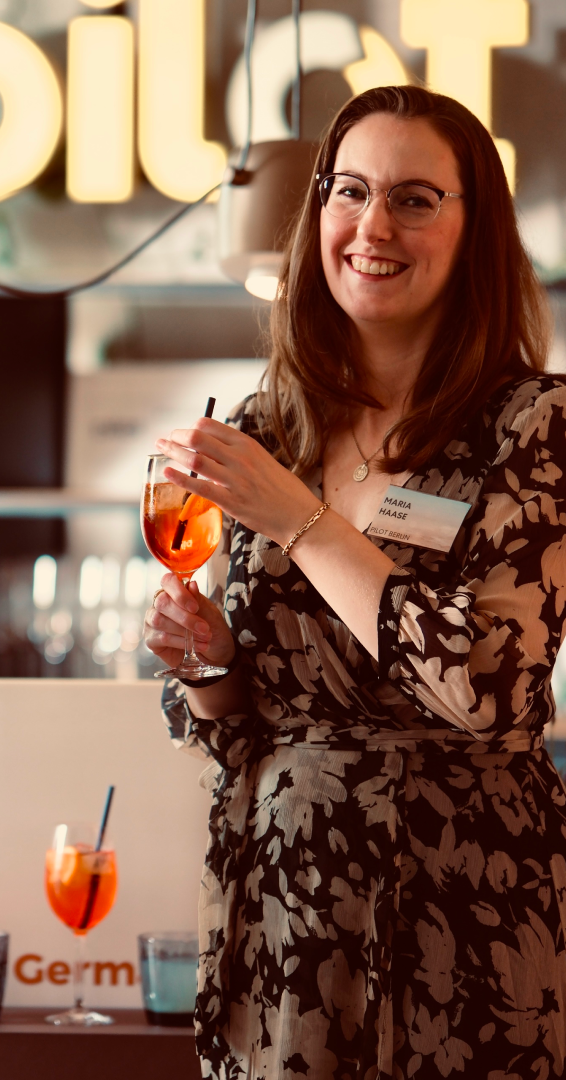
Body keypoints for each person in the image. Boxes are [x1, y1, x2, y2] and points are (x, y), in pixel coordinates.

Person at [145, 85, 566, 1078]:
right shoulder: (265, 429)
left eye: (416, 199)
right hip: (283, 898)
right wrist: (209, 667)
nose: (374, 225)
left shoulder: (532, 425)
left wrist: (301, 518)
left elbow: (488, 687)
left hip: (466, 907)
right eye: (349, 191)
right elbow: (243, 731)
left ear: (477, 233)